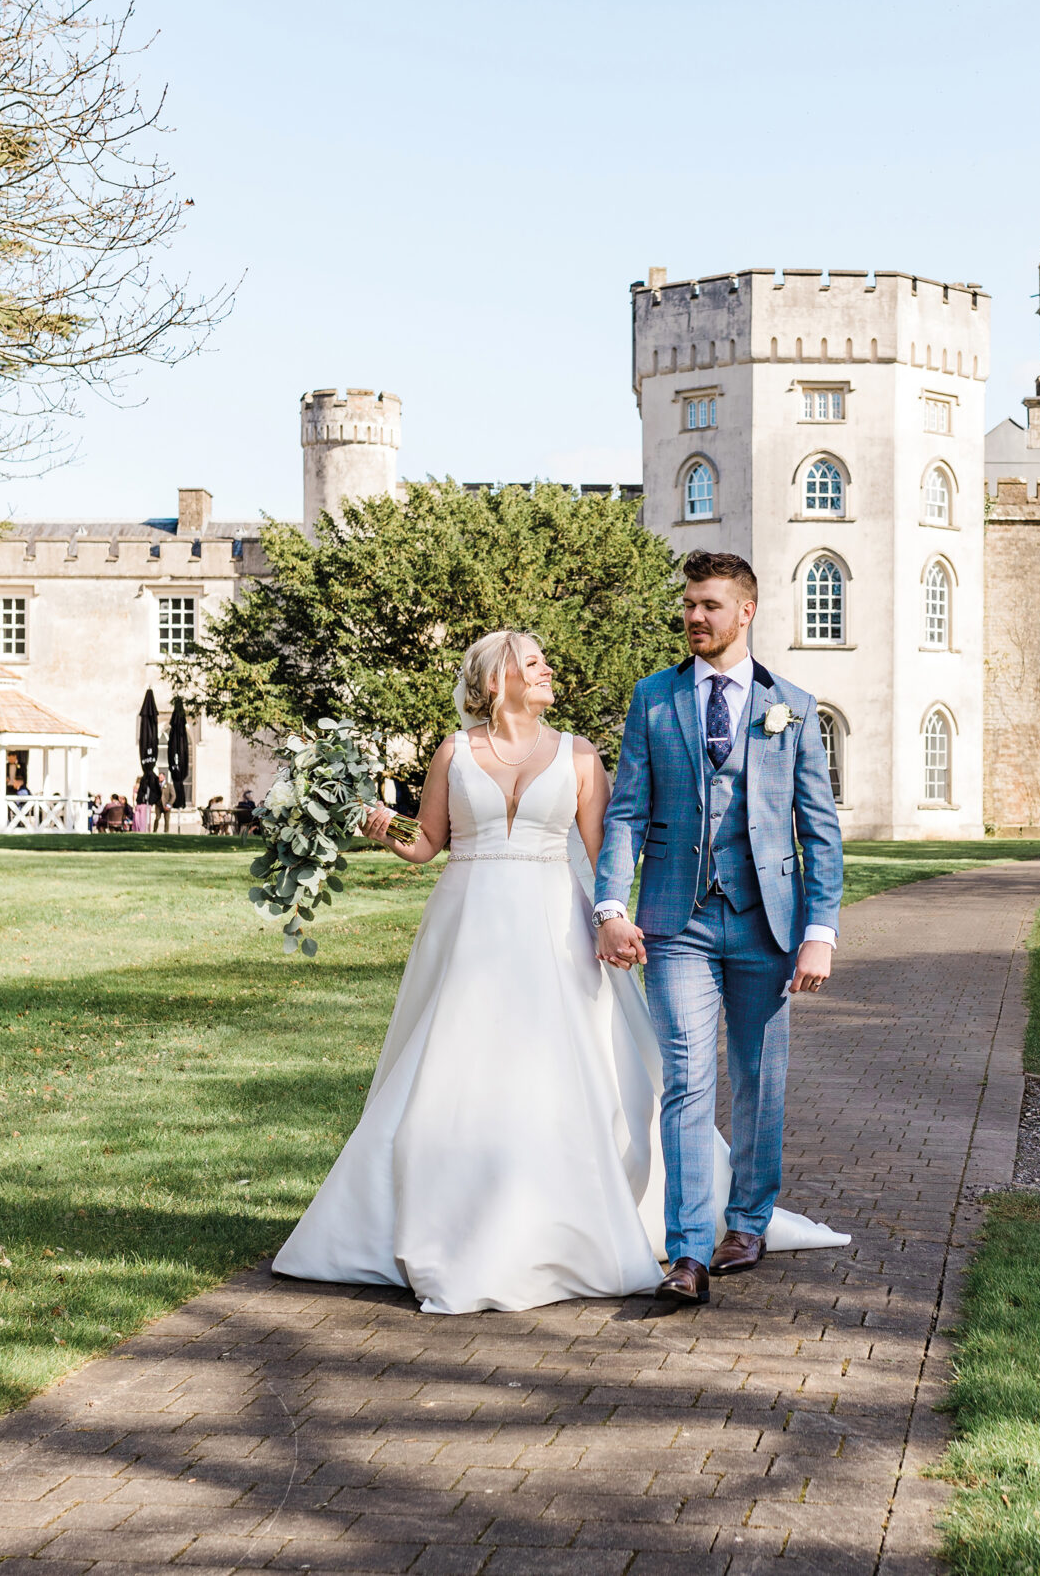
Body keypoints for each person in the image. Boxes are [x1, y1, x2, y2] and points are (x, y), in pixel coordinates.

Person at [269, 627, 845, 1314]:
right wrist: (375, 823)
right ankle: (444, 1215)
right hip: (468, 928)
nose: (547, 671)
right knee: (453, 1071)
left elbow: (611, 846)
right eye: (533, 662)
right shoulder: (453, 752)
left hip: (554, 928)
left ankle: (586, 1218)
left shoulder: (578, 754)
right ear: (495, 681)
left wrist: (616, 916)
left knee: (566, 1071)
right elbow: (426, 843)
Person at [594, 550, 845, 1305]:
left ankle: (748, 1220)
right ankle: (686, 1253)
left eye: (709, 605)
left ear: (746, 611)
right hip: (678, 921)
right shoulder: (654, 698)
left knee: (761, 1079)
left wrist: (821, 928)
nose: (694, 617)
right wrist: (612, 906)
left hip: (768, 925)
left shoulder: (792, 705)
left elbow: (819, 830)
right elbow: (627, 810)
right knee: (687, 1078)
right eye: (689, 604)